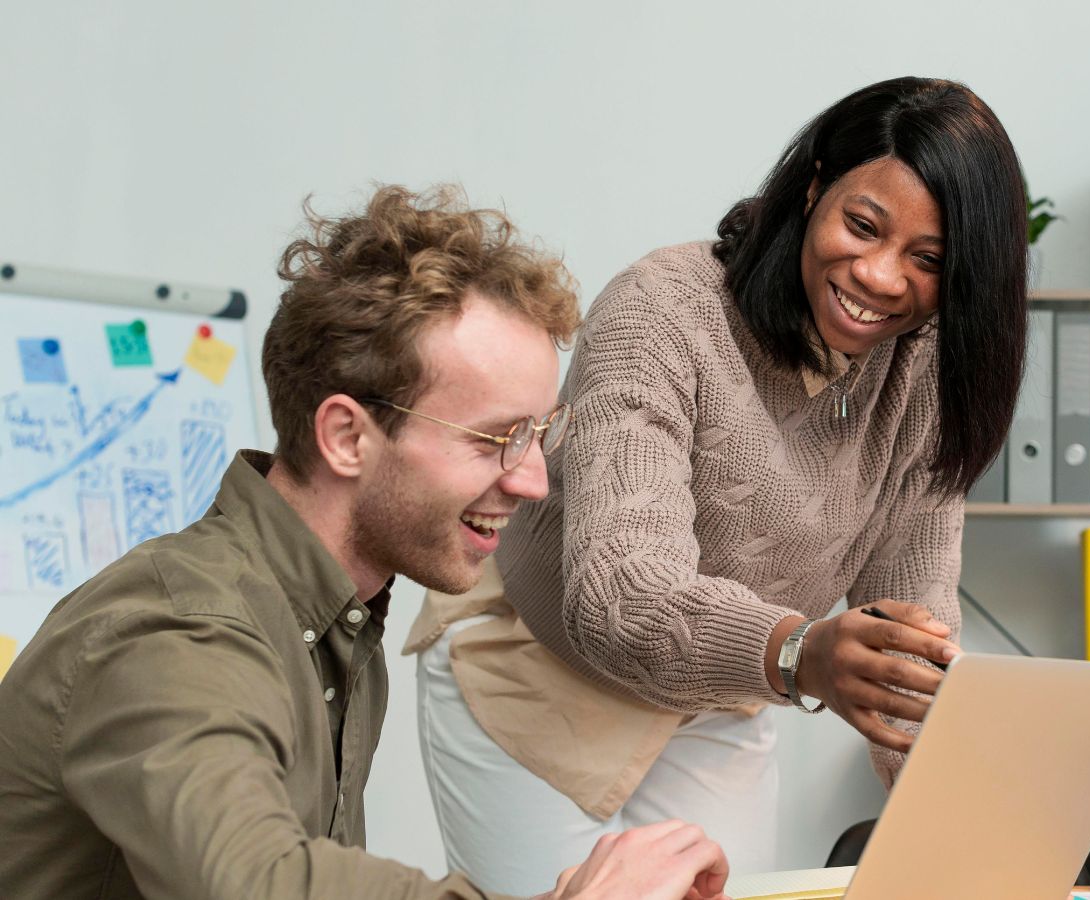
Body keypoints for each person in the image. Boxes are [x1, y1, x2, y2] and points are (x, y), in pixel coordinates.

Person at [0, 185, 730, 900]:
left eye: (539, 435)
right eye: (499, 439)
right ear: (347, 437)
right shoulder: (178, 631)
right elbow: (260, 884)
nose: (534, 480)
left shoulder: (337, 622)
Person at [405, 75, 1031, 891]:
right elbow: (619, 593)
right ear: (813, 191)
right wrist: (804, 653)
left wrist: (923, 760)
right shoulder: (664, 311)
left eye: (928, 260)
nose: (880, 276)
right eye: (862, 225)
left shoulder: (926, 377)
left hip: (722, 695)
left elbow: (914, 613)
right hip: (538, 676)